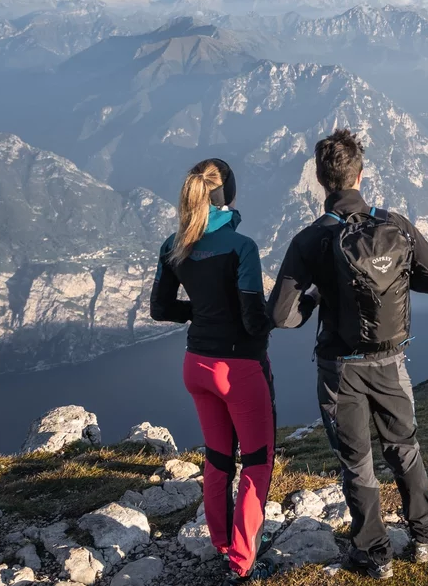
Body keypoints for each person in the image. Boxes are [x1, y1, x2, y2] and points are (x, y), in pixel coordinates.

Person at [268, 128, 428, 580]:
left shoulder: (310, 241)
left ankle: (373, 553)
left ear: (319, 178)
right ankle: (426, 533)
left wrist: (315, 295)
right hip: (391, 361)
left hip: (340, 369)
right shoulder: (394, 225)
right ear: (360, 174)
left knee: (357, 460)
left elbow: (282, 317)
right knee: (403, 448)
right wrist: (396, 279)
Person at [149, 158, 276, 584]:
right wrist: (297, 307)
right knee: (257, 461)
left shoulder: (174, 244)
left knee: (219, 459)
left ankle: (222, 544)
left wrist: (203, 314)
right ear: (229, 195)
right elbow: (254, 320)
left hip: (196, 366)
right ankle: (243, 562)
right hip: (237, 368)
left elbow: (161, 308)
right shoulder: (241, 247)